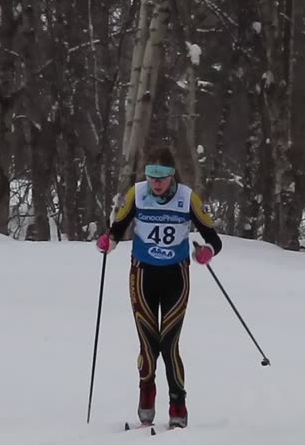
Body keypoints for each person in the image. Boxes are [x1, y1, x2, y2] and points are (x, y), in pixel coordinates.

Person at [95, 145, 222, 428]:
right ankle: (147, 392)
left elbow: (213, 237)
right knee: (148, 344)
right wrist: (108, 242)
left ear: (172, 175)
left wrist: (206, 252)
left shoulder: (187, 198)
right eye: (152, 176)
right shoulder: (136, 194)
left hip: (176, 276)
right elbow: (116, 229)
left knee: (169, 343)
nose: (156, 183)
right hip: (142, 276)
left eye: (162, 177)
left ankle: (178, 402)